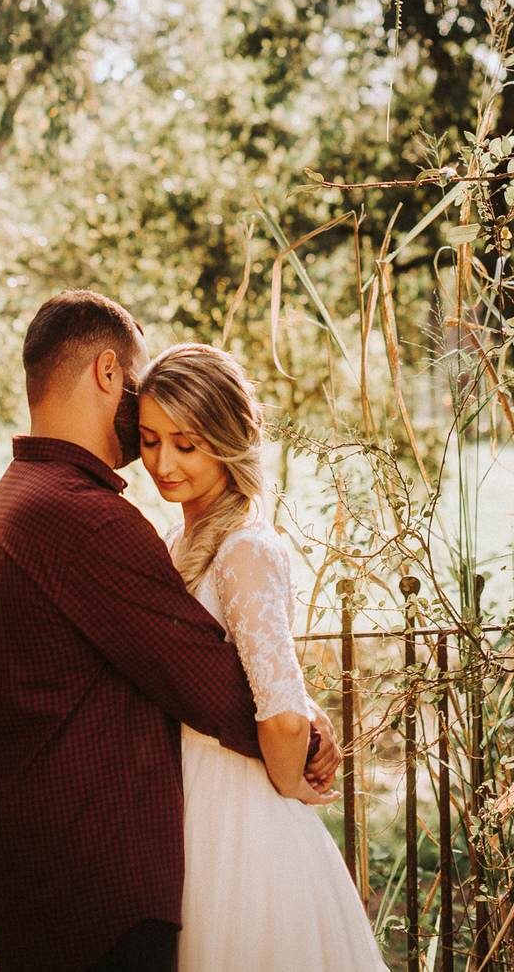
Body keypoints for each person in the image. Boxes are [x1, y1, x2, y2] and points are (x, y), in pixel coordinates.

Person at [0, 290, 340, 972]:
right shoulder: (81, 516)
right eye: (140, 405)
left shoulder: (17, 498)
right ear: (108, 372)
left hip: (52, 871)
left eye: (185, 442)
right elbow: (205, 680)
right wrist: (300, 733)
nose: (155, 451)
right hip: (93, 887)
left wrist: (293, 707)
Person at [137, 341, 387, 972]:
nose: (162, 463)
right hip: (181, 800)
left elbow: (280, 717)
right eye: (149, 440)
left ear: (227, 441)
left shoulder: (247, 549)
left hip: (241, 812)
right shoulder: (174, 539)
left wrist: (291, 785)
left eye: (186, 444)